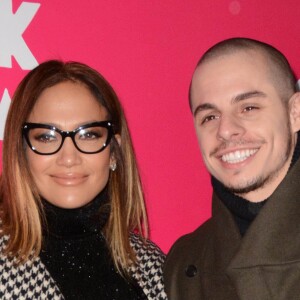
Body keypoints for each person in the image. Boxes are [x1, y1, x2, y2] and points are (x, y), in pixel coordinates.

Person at [0, 60, 167, 299]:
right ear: (22, 152)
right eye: (47, 137)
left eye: (88, 134)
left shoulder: (154, 266)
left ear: (113, 150)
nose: (69, 158)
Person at [164, 37, 300, 299]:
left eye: (248, 107)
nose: (225, 130)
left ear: (295, 113)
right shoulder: (183, 262)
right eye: (210, 117)